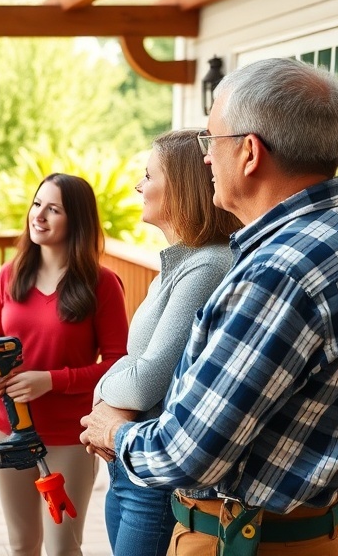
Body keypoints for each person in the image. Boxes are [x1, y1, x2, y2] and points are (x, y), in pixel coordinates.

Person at [81, 58, 338, 556]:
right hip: (320, 530)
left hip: (246, 539)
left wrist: (116, 431)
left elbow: (185, 454)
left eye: (211, 141)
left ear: (250, 153)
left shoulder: (276, 275)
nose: (205, 158)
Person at [93, 129, 242, 556]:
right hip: (128, 466)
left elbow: (145, 381)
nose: (139, 186)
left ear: (179, 185)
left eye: (148, 175)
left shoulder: (209, 265)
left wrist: (101, 396)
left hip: (155, 483)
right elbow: (132, 360)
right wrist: (109, 401)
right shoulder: (174, 267)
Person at [0, 173, 129, 556]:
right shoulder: (10, 276)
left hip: (69, 435)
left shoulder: (102, 284)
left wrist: (51, 380)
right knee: (21, 544)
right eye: (36, 204)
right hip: (8, 428)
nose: (39, 215)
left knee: (63, 547)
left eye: (53, 209)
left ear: (76, 220)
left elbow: (117, 365)